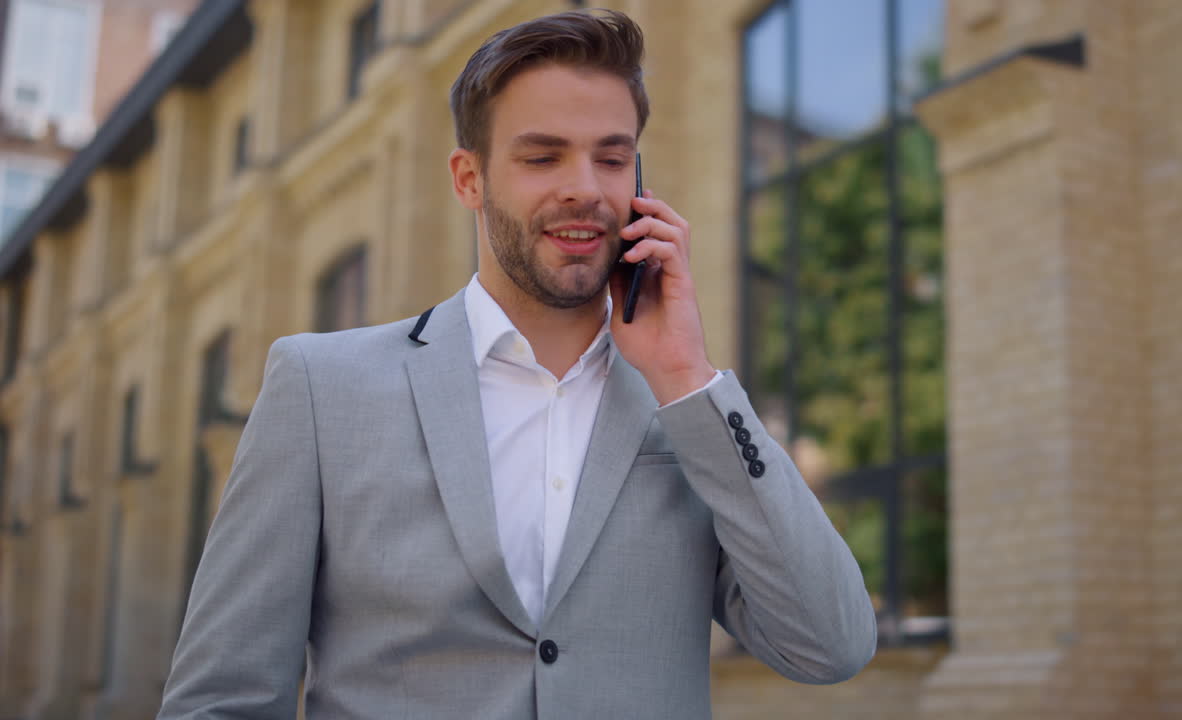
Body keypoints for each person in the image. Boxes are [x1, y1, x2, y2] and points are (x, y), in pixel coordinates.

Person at [157, 9, 875, 719]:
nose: (585, 188)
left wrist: (686, 376)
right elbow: (222, 699)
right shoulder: (322, 388)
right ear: (468, 179)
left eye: (612, 158)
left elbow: (829, 645)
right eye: (542, 157)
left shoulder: (689, 413)